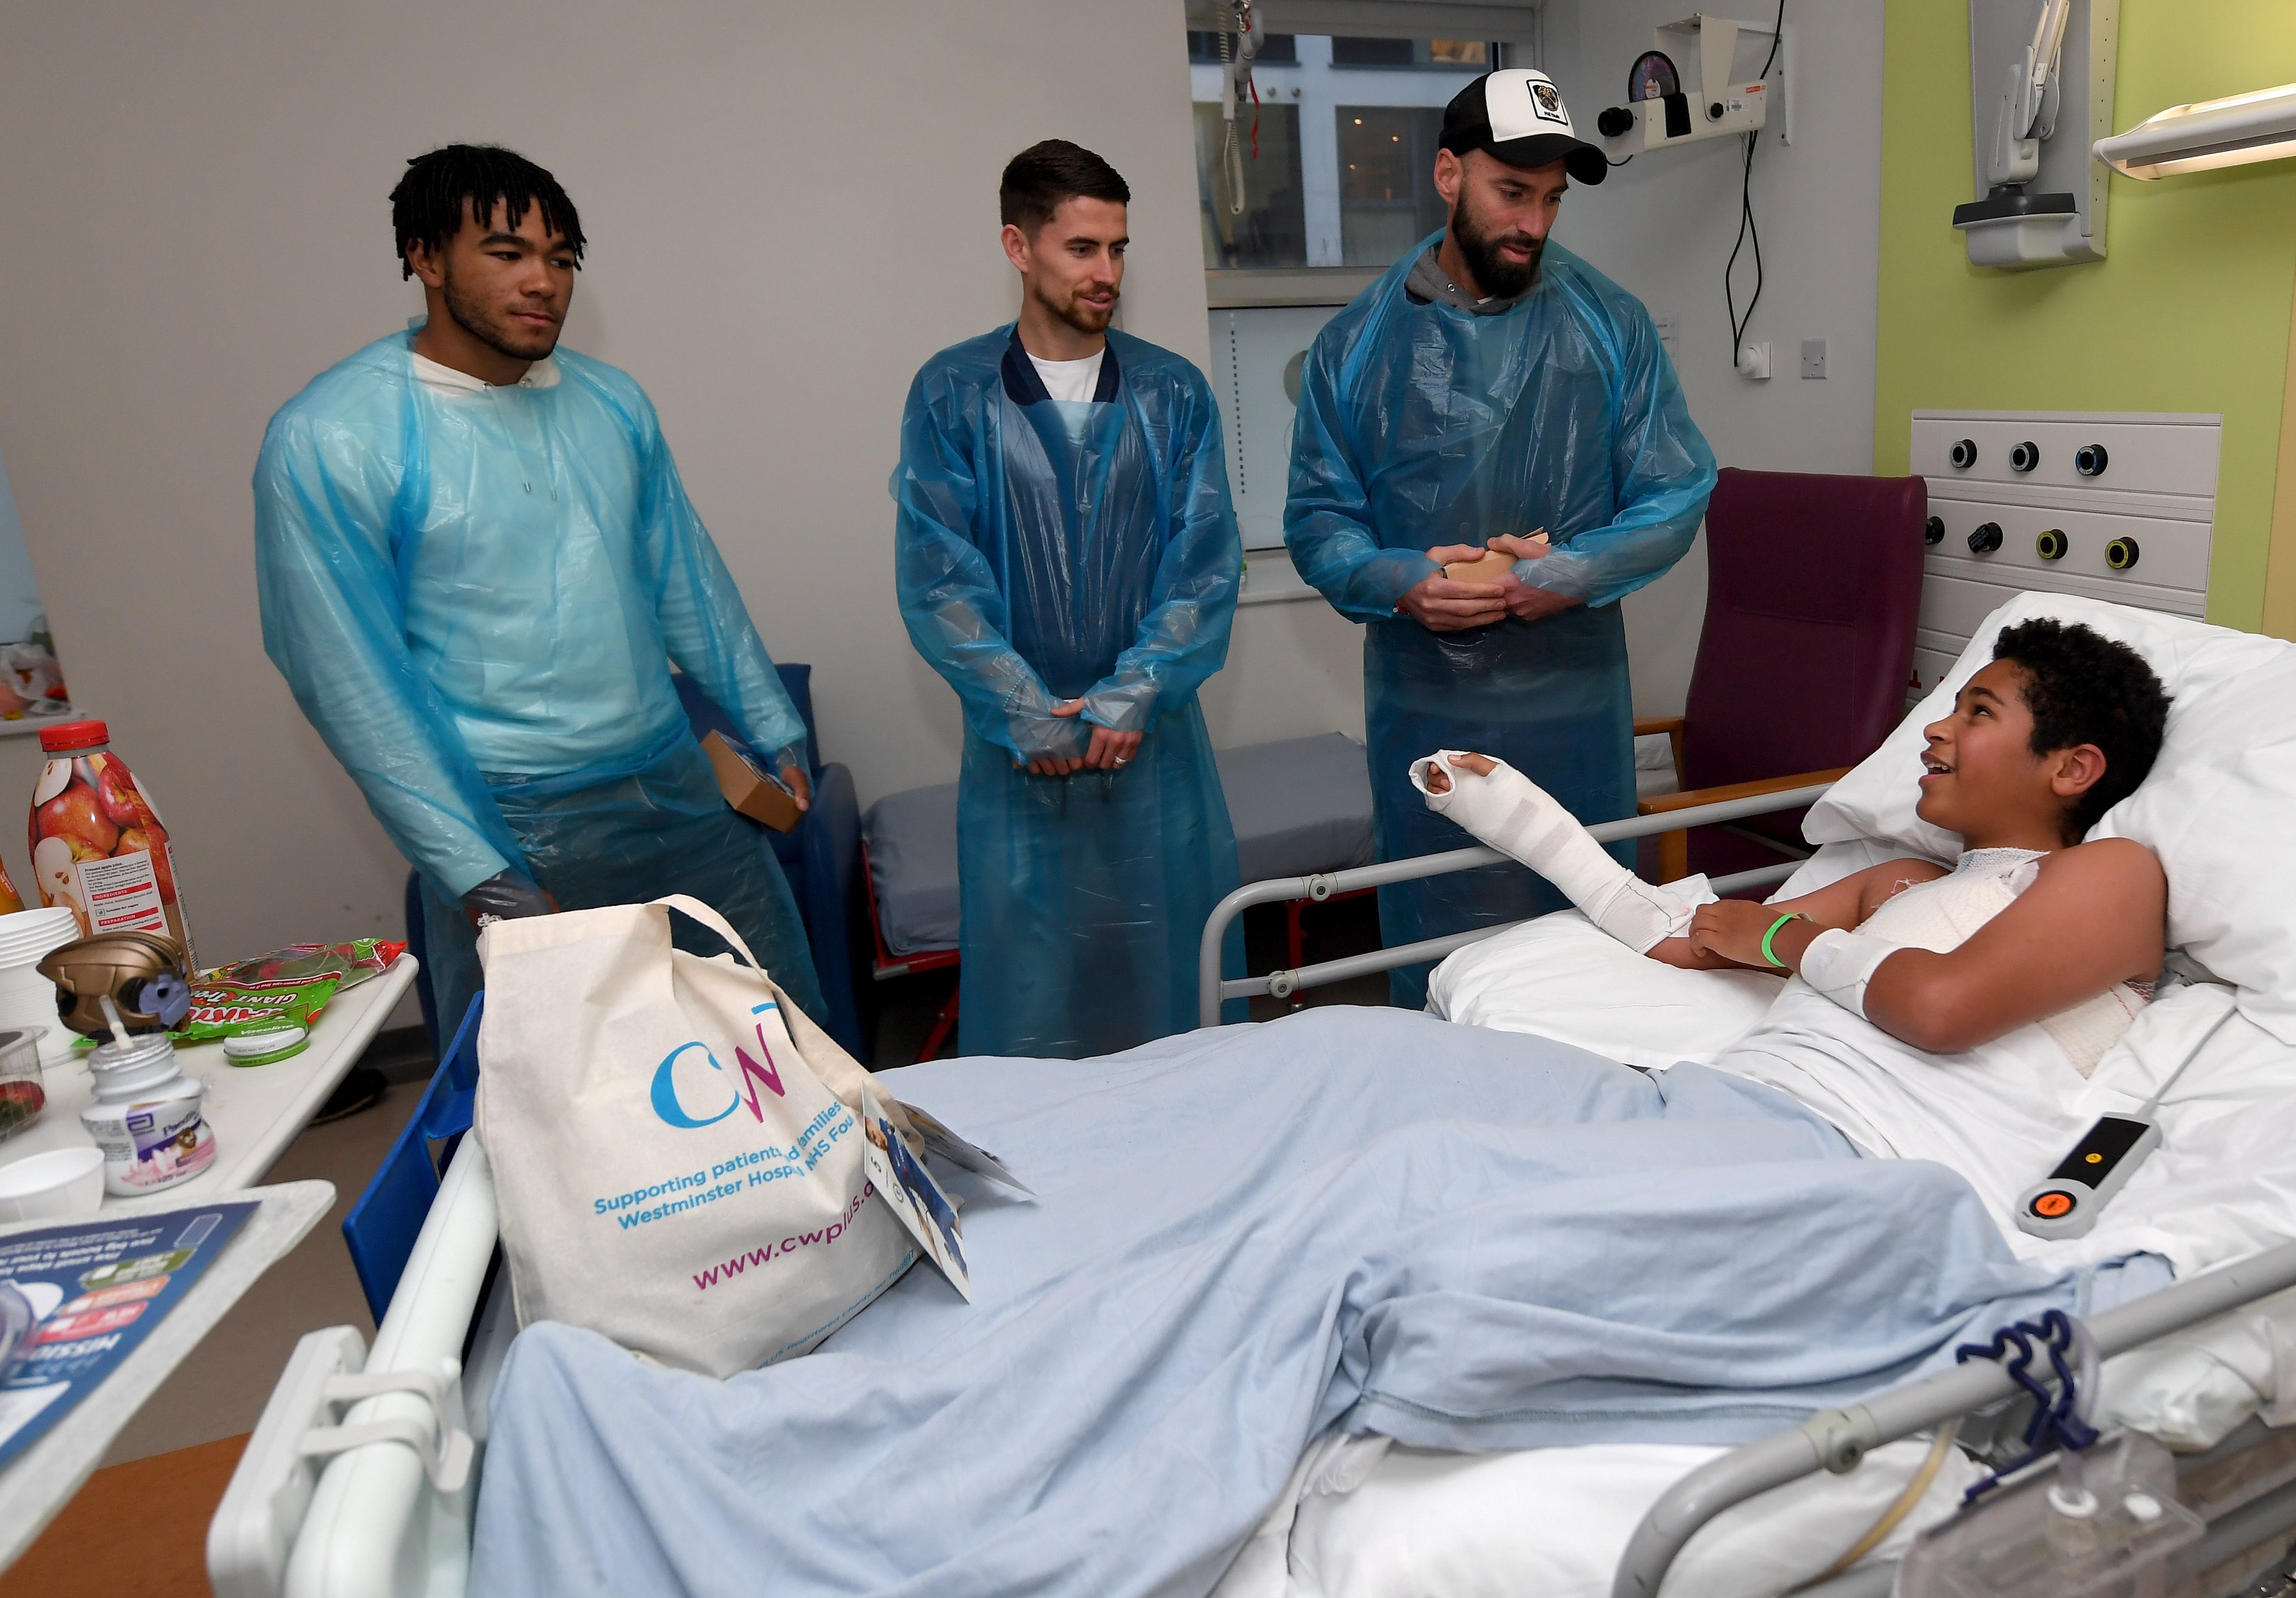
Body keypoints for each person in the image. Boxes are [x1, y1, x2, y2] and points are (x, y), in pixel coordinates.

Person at [255, 144, 826, 1054]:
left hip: (674, 785)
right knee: (562, 1104)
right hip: (513, 820)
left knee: (782, 1040)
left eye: (562, 260)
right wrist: (479, 872)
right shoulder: (335, 437)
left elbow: (689, 581)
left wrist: (771, 724)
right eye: (508, 252)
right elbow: (350, 681)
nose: (543, 282)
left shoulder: (611, 404)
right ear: (425, 257)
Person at [1416, 618, 2174, 1174]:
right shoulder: (1901, 884)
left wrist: (1782, 941)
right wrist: (1524, 818)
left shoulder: (2113, 872)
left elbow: (1943, 1008)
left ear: (2072, 770)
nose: (1934, 728)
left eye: (1976, 712)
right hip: (1728, 1102)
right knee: (1374, 1091)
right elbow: (1682, 938)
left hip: (1860, 1152)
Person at [1285, 68, 1717, 1002]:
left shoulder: (1611, 325)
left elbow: (1677, 489)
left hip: (1575, 711)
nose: (1533, 221)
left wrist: (1573, 569)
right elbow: (1319, 520)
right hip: (1427, 707)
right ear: (1449, 176)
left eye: (1552, 199)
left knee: (1586, 956)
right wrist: (1402, 577)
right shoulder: (1356, 347)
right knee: (1443, 962)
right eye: (1512, 191)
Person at [893, 140, 1243, 1058]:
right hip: (1018, 761)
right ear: (1018, 245)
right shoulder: (952, 394)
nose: (1108, 273)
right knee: (1030, 991)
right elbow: (940, 574)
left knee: (1176, 984)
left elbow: (1203, 562)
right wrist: (1025, 708)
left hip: (1155, 749)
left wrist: (1135, 692)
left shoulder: (1173, 392)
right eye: (1082, 248)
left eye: (1119, 249)